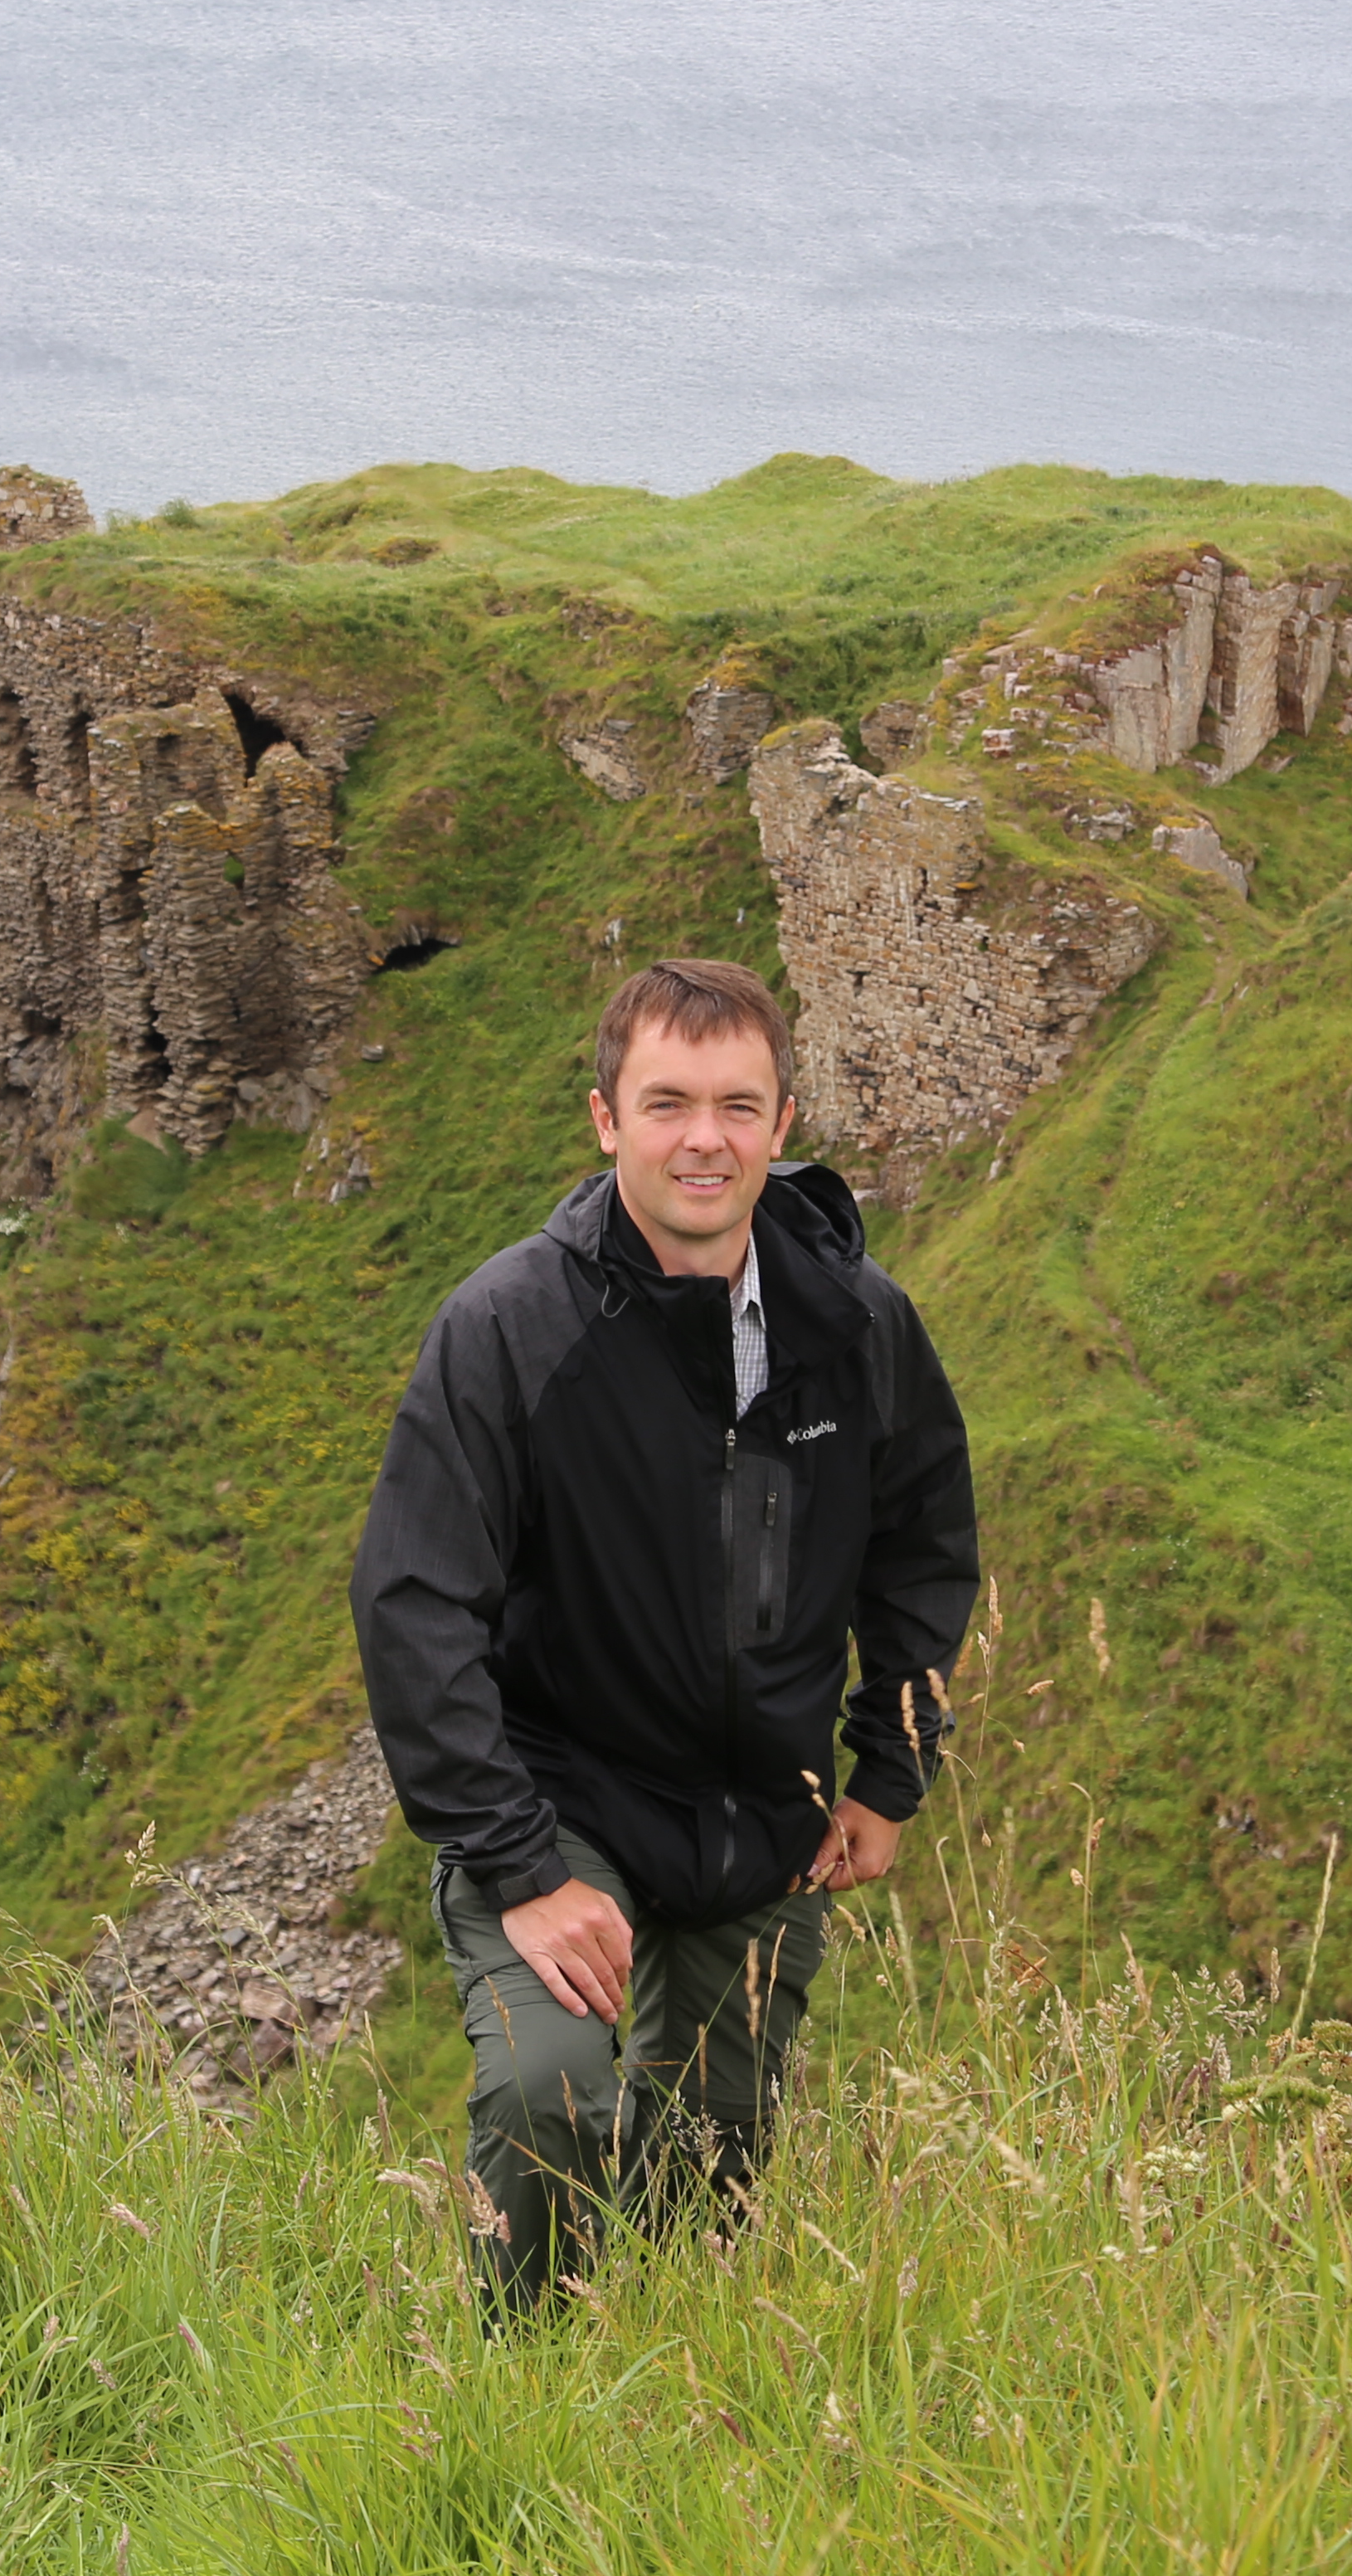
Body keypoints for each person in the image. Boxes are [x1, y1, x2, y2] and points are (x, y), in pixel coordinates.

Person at [350, 958, 982, 2311]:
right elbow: (413, 1604)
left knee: (712, 2170)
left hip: (766, 1818)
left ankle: (665, 2408)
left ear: (782, 1119)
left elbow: (926, 1543)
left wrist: (887, 1770)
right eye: (669, 1104)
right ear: (605, 1119)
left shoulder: (859, 1327)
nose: (706, 1138)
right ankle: (512, 2393)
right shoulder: (510, 1330)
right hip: (563, 1797)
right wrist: (521, 1862)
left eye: (739, 1106)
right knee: (549, 2098)